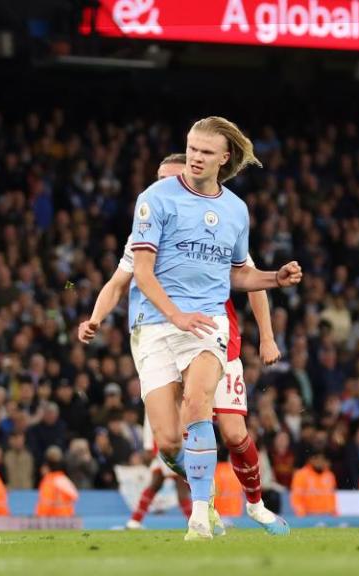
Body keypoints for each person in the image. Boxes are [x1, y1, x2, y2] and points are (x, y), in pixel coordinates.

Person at [84, 154, 288, 535]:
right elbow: (119, 282)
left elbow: (250, 279)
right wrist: (95, 319)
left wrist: (267, 335)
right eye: (158, 180)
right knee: (168, 442)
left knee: (231, 431)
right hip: (158, 335)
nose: (163, 189)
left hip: (213, 338)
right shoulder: (145, 233)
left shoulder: (217, 226)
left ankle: (254, 506)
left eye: (171, 180)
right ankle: (202, 488)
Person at [290, 450, 337, 516]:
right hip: (309, 515)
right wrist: (301, 513)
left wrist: (334, 513)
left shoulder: (329, 475)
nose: (320, 462)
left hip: (327, 515)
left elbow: (332, 496)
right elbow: (296, 497)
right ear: (311, 459)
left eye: (322, 459)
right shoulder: (301, 475)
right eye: (317, 458)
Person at [35, 446, 78, 517]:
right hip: (67, 519)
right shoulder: (63, 479)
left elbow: (45, 504)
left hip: (53, 521)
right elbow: (74, 496)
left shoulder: (49, 481)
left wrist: (39, 518)